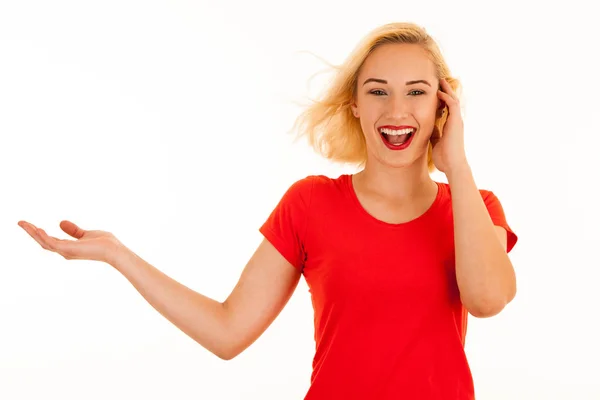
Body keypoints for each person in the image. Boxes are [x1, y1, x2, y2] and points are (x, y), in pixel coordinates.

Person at [18, 22, 518, 400]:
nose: (396, 111)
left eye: (416, 92)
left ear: (442, 106)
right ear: (355, 106)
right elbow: (228, 331)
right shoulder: (311, 203)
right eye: (377, 91)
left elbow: (488, 299)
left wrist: (457, 165)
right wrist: (117, 254)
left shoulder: (474, 206)